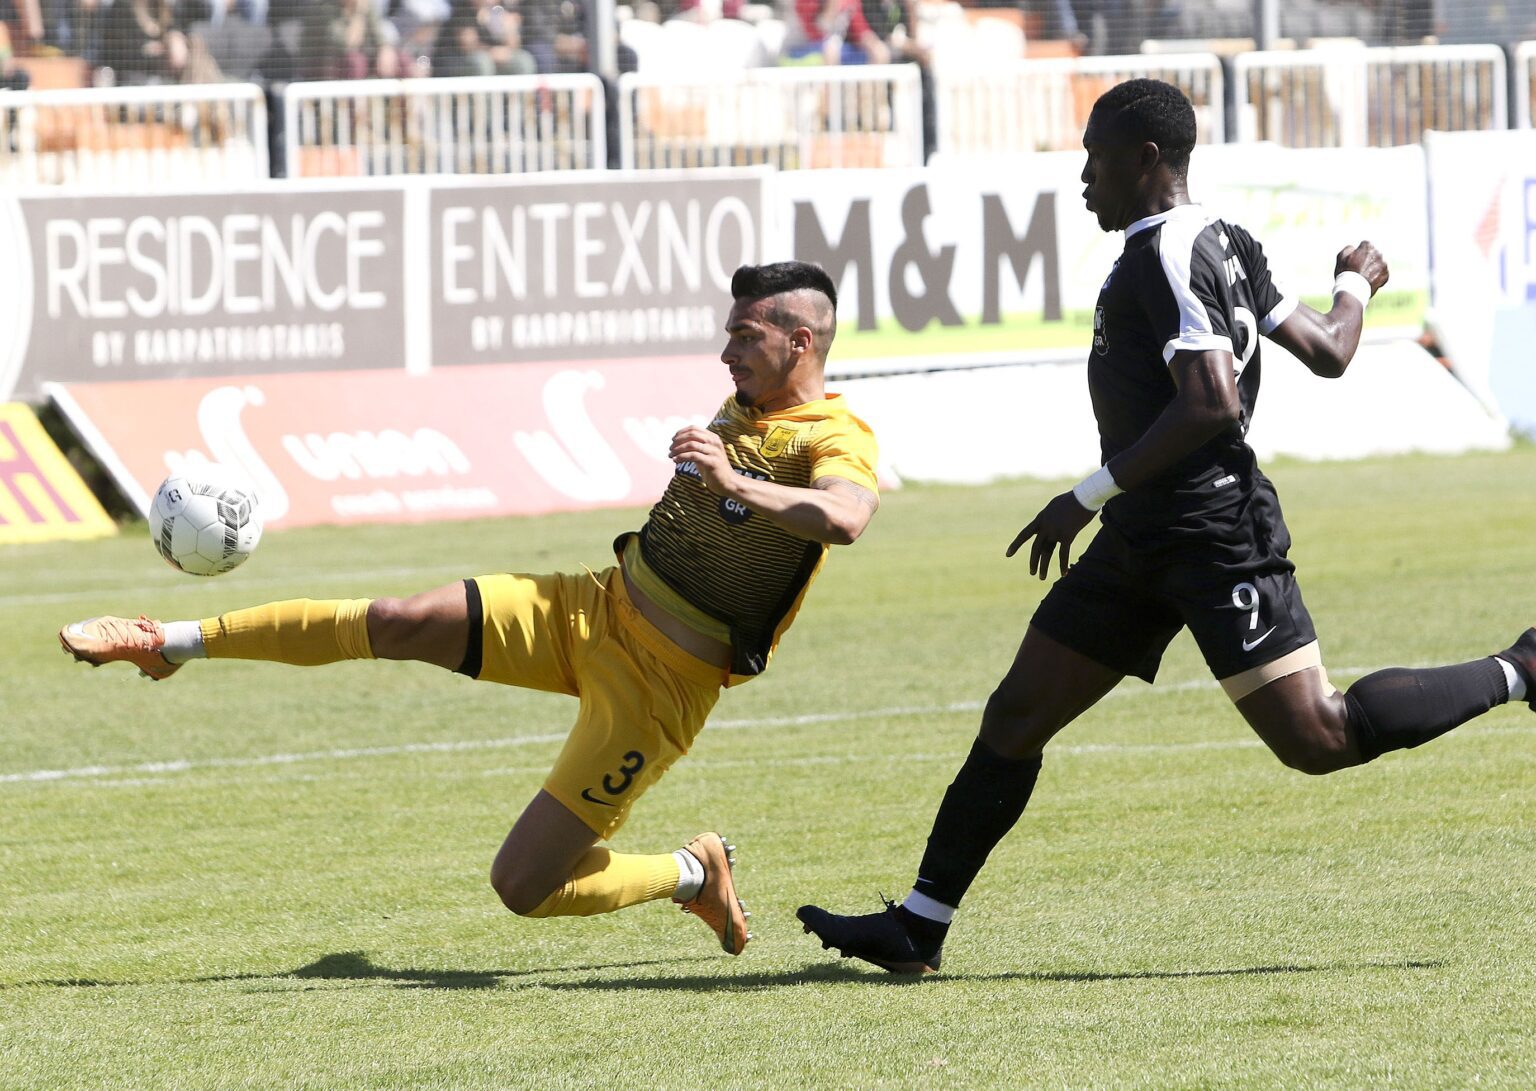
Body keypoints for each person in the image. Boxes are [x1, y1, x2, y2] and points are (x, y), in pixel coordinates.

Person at [797, 79, 1535, 975]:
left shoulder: (1171, 250)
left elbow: (1211, 401)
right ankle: (920, 925)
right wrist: (1353, 283)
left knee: (1318, 737)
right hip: (1143, 535)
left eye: (1096, 158)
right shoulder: (1221, 241)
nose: (1084, 177)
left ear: (1147, 158)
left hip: (1213, 531)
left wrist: (1084, 494)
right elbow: (1330, 349)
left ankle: (1521, 667)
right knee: (1016, 714)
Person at [61, 262, 878, 958]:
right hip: (590, 606)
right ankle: (167, 641)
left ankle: (692, 872)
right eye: (728, 335)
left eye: (744, 337)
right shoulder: (746, 402)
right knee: (399, 618)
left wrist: (733, 482)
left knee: (524, 884)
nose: (726, 352)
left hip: (662, 685)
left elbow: (846, 517)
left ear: (799, 342)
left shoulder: (834, 432)